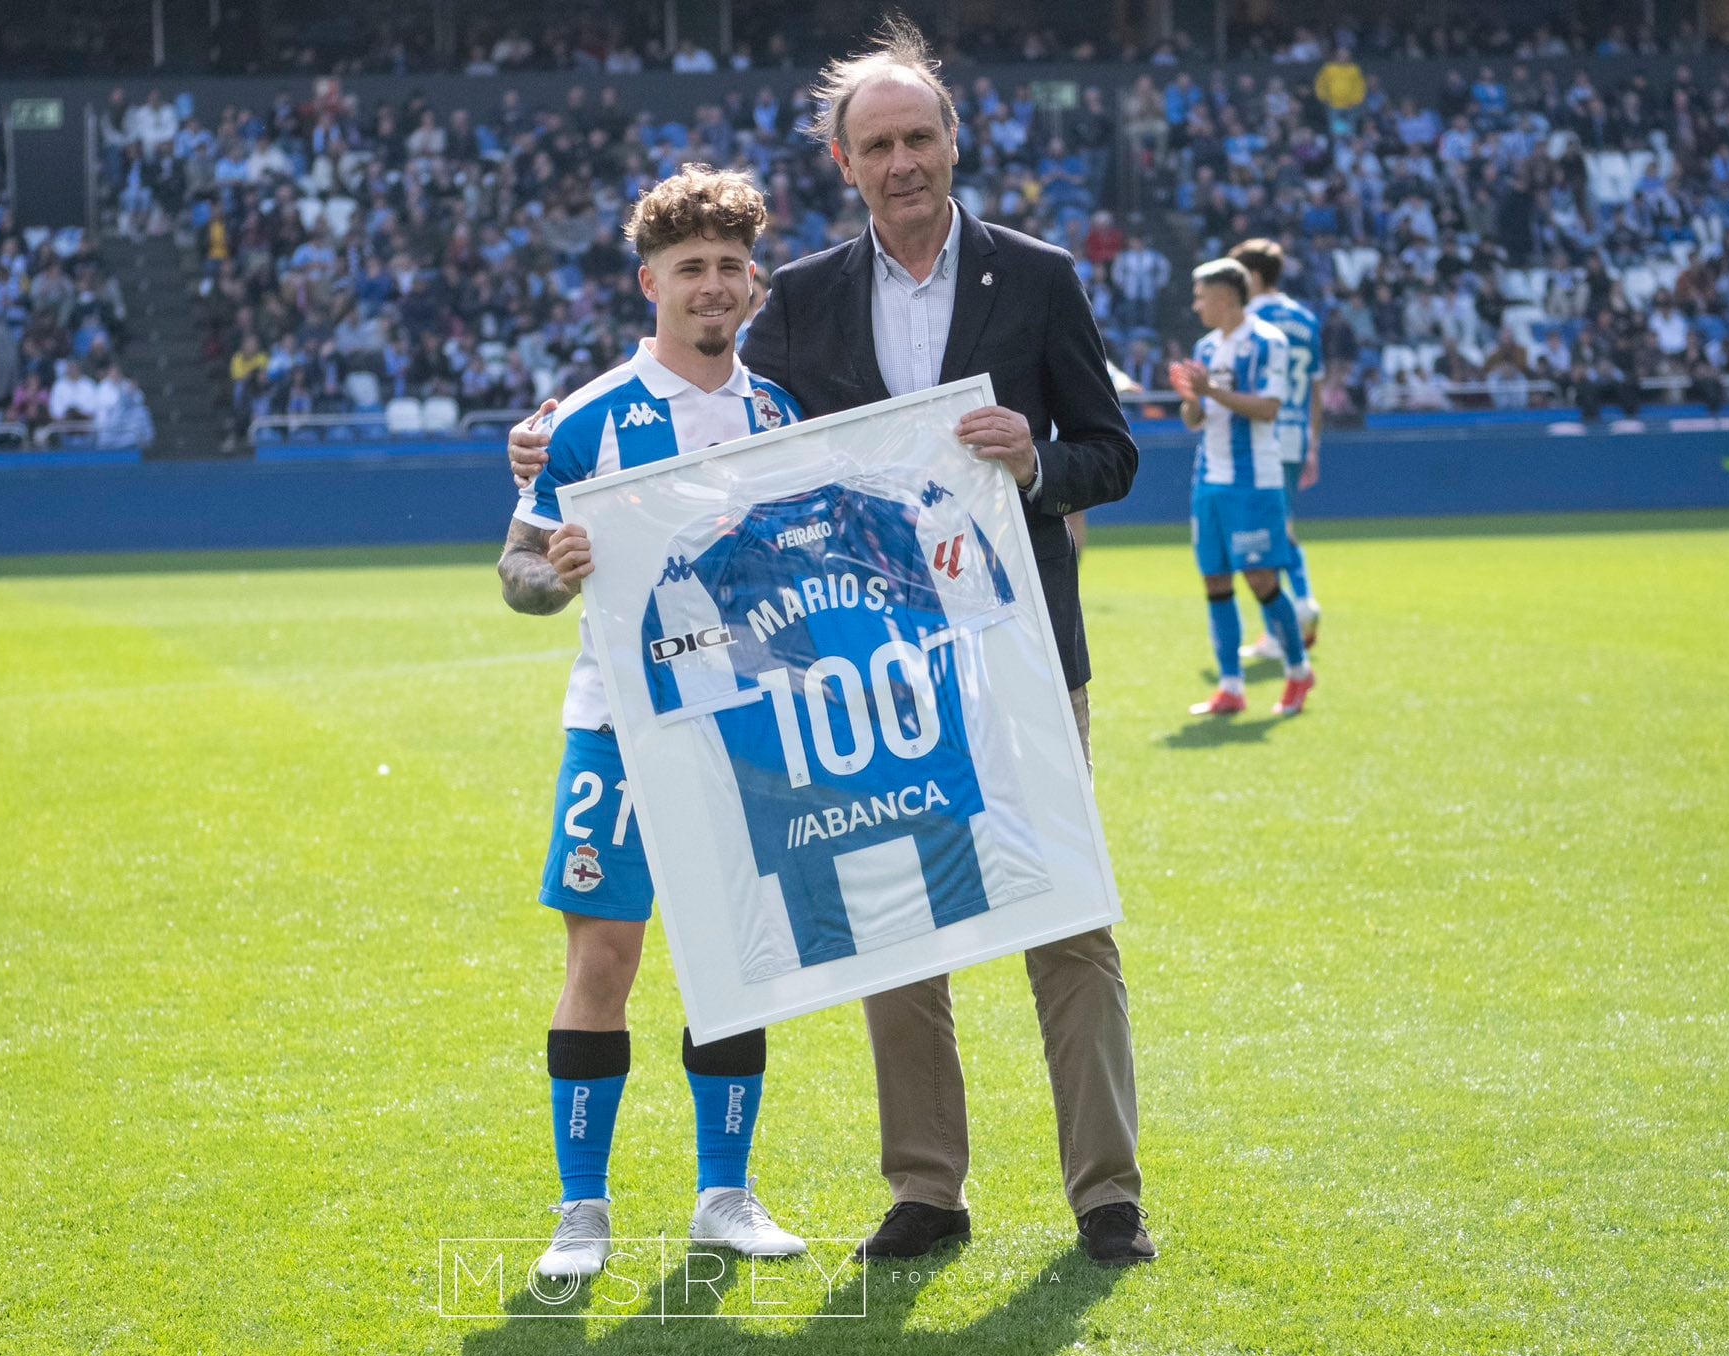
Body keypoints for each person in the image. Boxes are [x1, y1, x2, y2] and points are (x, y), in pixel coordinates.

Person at [509, 15, 1149, 1269]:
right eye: (878, 144)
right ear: (844, 163)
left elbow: (1113, 456)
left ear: (951, 142)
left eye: (920, 136)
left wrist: (1036, 461)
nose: (903, 160)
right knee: (895, 916)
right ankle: (926, 1190)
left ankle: (1105, 1195)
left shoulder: (1036, 277)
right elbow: (703, 422)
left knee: (1065, 918)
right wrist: (553, 452)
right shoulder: (793, 299)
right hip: (863, 667)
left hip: (1015, 653)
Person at [495, 166, 807, 1281]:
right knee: (604, 954)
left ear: (752, 283)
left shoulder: (776, 416)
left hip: (741, 721)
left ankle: (723, 1194)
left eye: (728, 267)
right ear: (650, 282)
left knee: (732, 956)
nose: (711, 286)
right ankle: (582, 1212)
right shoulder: (582, 420)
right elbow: (516, 572)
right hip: (619, 725)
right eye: (690, 269)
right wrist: (556, 572)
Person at [1173, 258, 1315, 719]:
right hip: (1208, 479)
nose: (1196, 306)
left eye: (1201, 296)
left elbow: (1269, 409)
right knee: (1215, 580)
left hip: (1254, 481)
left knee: (1261, 580)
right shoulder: (1207, 347)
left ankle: (1298, 670)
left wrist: (1209, 391)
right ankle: (1231, 685)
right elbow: (1194, 418)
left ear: (1226, 298)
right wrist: (1193, 400)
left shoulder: (1267, 342)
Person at [1229, 238, 1325, 663]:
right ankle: (1302, 599)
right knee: (1281, 522)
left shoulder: (1248, 320)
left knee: (1261, 534)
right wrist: (1313, 444)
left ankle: (1284, 622)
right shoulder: (1306, 318)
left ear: (1250, 277)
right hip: (1296, 433)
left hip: (1258, 435)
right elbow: (1316, 390)